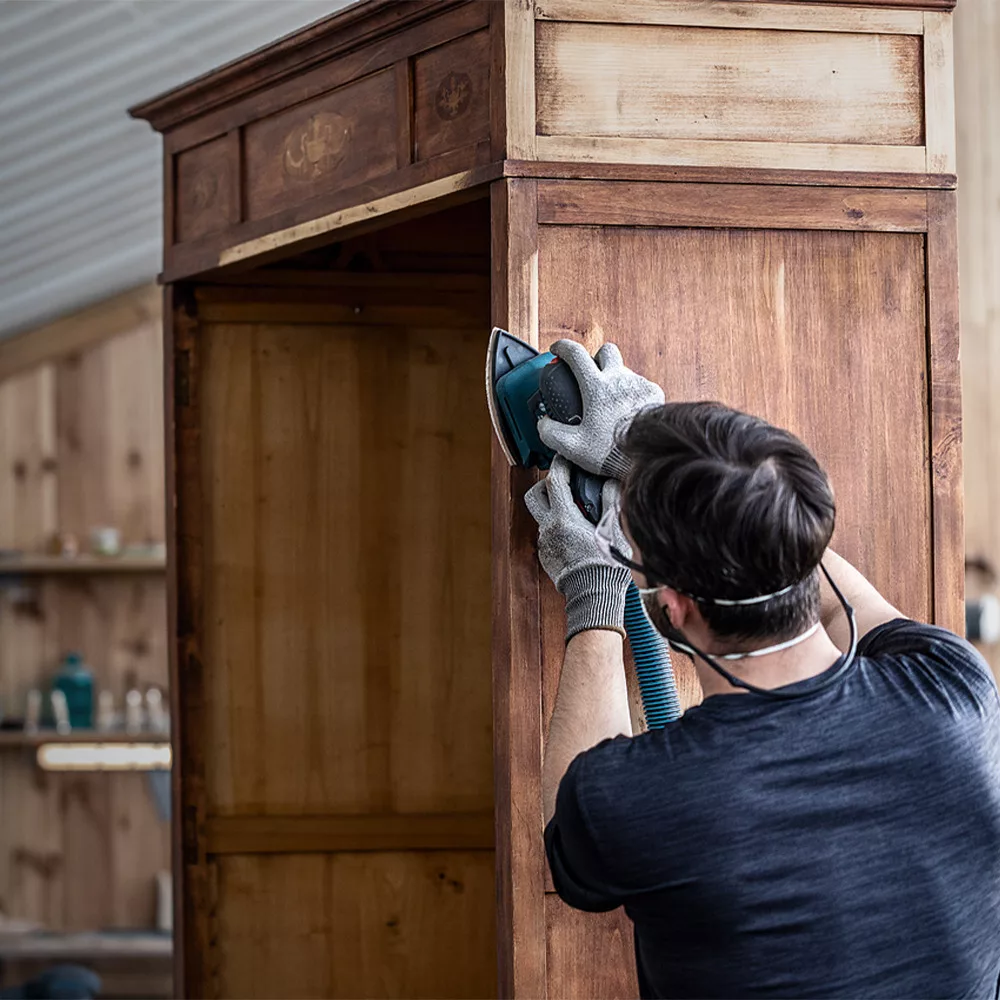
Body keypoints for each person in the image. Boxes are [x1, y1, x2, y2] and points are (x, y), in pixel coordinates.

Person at [525, 339, 1000, 999]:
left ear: (675, 607)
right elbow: (806, 561)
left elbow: (569, 828)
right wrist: (672, 470)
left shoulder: (645, 796)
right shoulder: (952, 689)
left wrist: (593, 586)